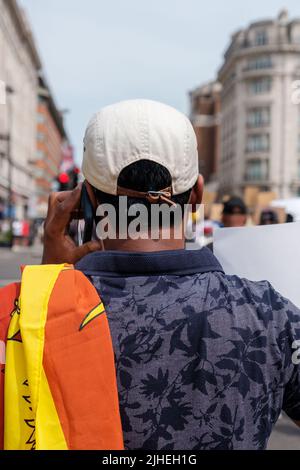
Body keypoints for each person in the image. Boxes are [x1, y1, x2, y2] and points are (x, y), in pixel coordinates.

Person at [42, 100, 300, 450]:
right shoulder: (269, 314)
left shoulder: (32, 316)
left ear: (84, 199)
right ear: (196, 195)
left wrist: (46, 283)